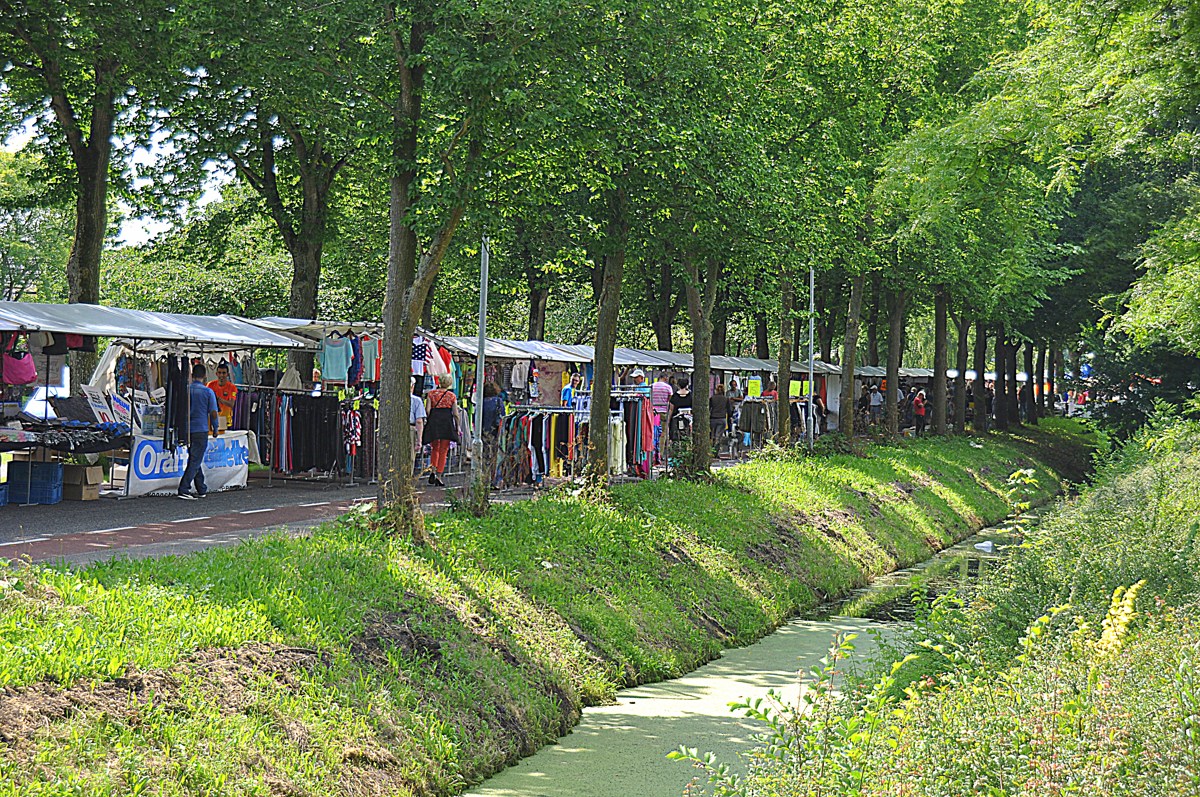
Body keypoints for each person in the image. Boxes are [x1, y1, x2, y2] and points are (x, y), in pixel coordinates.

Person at [179, 363, 218, 500]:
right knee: (196, 459)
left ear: (192, 375)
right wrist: (215, 427)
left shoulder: (186, 390)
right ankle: (184, 488)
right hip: (201, 428)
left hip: (187, 428)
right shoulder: (208, 392)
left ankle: (201, 487)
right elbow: (213, 412)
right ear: (205, 376)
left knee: (195, 458)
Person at [422, 373, 457, 487]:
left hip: (435, 421)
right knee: (444, 450)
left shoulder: (431, 394)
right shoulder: (451, 396)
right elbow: (455, 413)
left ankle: (432, 469)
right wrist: (457, 424)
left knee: (434, 448)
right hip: (446, 422)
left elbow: (427, 410)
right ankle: (439, 475)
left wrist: (430, 419)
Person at [207, 362, 237, 430]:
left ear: (227, 374)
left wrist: (218, 399)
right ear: (216, 374)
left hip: (226, 420)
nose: (221, 375)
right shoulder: (210, 385)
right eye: (219, 373)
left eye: (224, 373)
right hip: (212, 419)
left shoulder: (232, 387)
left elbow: (232, 404)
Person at [410, 376, 427, 474]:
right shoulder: (416, 400)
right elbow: (419, 421)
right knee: (410, 456)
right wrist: (419, 440)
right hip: (411, 428)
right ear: (412, 386)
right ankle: (406, 481)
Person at [709, 382, 730, 455]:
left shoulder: (712, 398)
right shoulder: (726, 399)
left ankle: (711, 450)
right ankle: (716, 452)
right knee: (718, 436)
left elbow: (709, 408)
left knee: (712, 435)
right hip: (722, 419)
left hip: (713, 418)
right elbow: (729, 410)